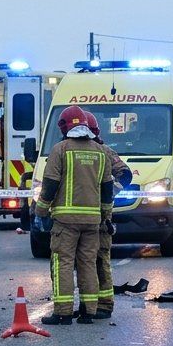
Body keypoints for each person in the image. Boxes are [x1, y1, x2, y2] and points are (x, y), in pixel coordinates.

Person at [35, 106, 114, 325]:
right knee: (88, 263)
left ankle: (63, 312)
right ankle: (89, 311)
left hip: (65, 221)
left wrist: (40, 211)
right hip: (92, 221)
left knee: (63, 263)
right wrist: (105, 214)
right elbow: (107, 189)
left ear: (63, 126)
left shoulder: (60, 150)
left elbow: (49, 185)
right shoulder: (101, 152)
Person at [86, 111, 131, 319]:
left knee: (99, 260)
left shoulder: (104, 151)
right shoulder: (68, 150)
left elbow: (125, 174)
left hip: (100, 217)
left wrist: (108, 192)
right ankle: (91, 305)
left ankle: (103, 305)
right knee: (89, 262)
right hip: (88, 217)